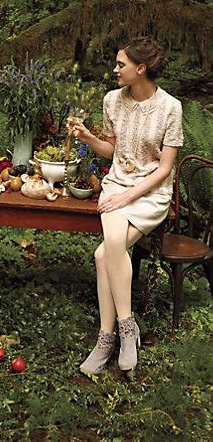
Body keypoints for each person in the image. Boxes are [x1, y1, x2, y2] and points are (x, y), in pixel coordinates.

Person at [68, 37, 183, 374]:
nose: (115, 70)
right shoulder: (111, 101)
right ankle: (122, 330)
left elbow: (165, 169)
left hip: (151, 193)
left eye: (121, 64)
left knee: (104, 254)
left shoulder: (170, 108)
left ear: (141, 68)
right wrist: (89, 139)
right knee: (112, 247)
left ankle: (110, 336)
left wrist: (127, 197)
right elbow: (112, 151)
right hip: (117, 184)